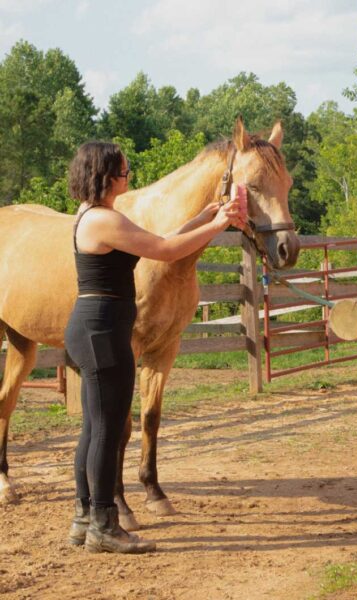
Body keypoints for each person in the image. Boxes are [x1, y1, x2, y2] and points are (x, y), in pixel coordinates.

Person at [64, 141, 244, 554]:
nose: (128, 181)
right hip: (104, 332)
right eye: (125, 174)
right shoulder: (104, 220)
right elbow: (163, 251)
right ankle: (104, 525)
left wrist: (205, 215)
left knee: (94, 428)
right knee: (107, 430)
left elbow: (159, 238)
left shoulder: (92, 215)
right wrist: (219, 226)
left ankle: (84, 517)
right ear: (106, 177)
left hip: (94, 328)